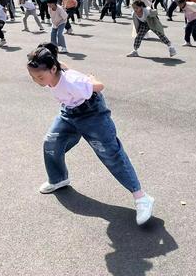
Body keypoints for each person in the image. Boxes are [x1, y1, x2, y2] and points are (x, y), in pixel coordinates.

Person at [26, 42, 154, 226]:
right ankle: (58, 179)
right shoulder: (54, 67)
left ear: (52, 69)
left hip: (92, 114)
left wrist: (91, 79)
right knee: (51, 142)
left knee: (110, 154)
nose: (36, 81)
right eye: (33, 77)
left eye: (39, 76)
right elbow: (65, 67)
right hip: (68, 113)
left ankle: (141, 197)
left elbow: (99, 86)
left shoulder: (73, 82)